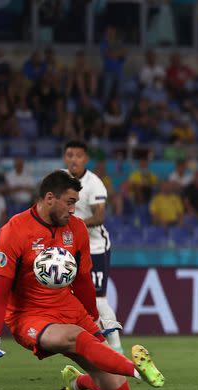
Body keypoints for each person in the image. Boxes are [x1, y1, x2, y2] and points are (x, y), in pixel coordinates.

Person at [0, 170, 165, 390]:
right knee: (76, 336)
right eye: (70, 202)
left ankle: (76, 382)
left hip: (68, 308)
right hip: (30, 316)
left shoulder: (77, 228)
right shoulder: (14, 230)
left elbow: (83, 280)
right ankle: (137, 370)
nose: (73, 210)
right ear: (50, 198)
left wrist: (93, 317)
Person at [64, 141, 123, 354]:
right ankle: (90, 348)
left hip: (95, 246)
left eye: (78, 156)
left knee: (98, 299)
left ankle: (117, 349)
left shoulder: (94, 183)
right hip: (69, 248)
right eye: (70, 155)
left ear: (85, 159)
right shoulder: (59, 180)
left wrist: (72, 224)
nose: (74, 160)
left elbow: (99, 216)